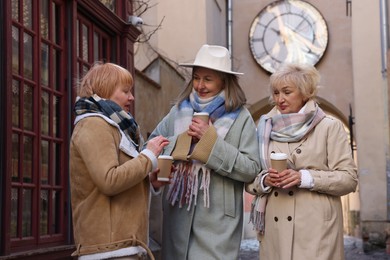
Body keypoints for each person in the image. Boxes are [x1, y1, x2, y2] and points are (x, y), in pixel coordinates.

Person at [147, 44, 261, 260]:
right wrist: (183, 141)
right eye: (196, 77)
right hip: (175, 218)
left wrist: (210, 141)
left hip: (218, 226)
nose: (199, 85)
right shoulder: (178, 110)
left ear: (224, 81)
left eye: (208, 79)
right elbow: (150, 145)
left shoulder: (241, 117)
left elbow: (251, 169)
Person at [246, 63, 358, 260]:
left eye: (287, 92)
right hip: (275, 230)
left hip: (316, 229)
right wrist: (265, 181)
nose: (279, 99)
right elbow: (249, 178)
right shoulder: (263, 128)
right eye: (275, 92)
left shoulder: (328, 128)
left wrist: (303, 177)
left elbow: (348, 179)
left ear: (305, 92)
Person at [69, 62, 170, 260]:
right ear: (105, 90)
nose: (131, 97)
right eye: (125, 91)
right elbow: (109, 180)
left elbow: (118, 177)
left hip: (120, 246)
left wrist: (149, 179)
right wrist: (148, 155)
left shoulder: (115, 126)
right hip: (108, 250)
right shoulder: (94, 125)